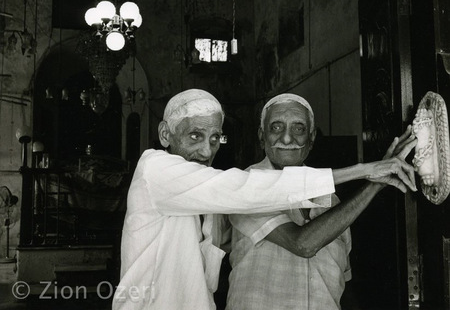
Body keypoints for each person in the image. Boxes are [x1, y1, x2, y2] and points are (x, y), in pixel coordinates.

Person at [112, 89, 416, 310]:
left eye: (215, 138)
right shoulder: (156, 169)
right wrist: (369, 173)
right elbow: (295, 235)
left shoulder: (206, 199)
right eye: (195, 136)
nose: (207, 152)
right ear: (165, 134)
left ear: (312, 140)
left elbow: (341, 281)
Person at [226, 93, 417, 310]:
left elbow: (343, 283)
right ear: (262, 137)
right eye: (276, 127)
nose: (287, 139)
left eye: (298, 129)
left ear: (312, 138)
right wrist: (374, 184)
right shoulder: (244, 187)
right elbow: (303, 244)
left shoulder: (331, 200)